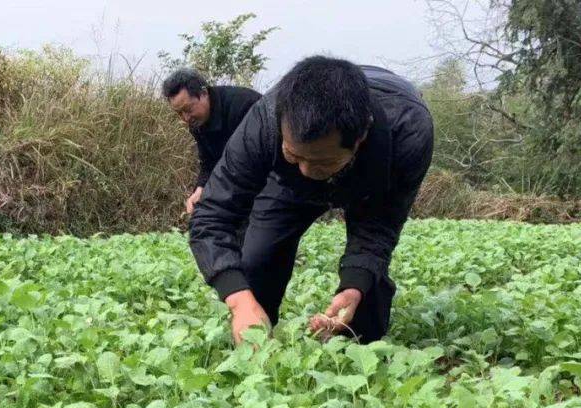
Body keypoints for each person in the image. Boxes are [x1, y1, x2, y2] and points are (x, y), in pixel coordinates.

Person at [189, 56, 434, 345]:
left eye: (321, 163)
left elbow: (379, 227)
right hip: (285, 183)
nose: (306, 171)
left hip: (375, 174)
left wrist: (355, 285)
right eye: (294, 155)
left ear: (360, 137)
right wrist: (239, 300)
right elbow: (212, 215)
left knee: (368, 289)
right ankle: (256, 344)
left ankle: (360, 345)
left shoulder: (409, 133)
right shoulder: (264, 122)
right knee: (257, 259)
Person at [162, 68, 261, 215]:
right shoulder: (197, 123)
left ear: (203, 93)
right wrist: (201, 189)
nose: (185, 118)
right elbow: (209, 162)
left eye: (188, 109)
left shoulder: (245, 106)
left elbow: (252, 163)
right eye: (179, 113)